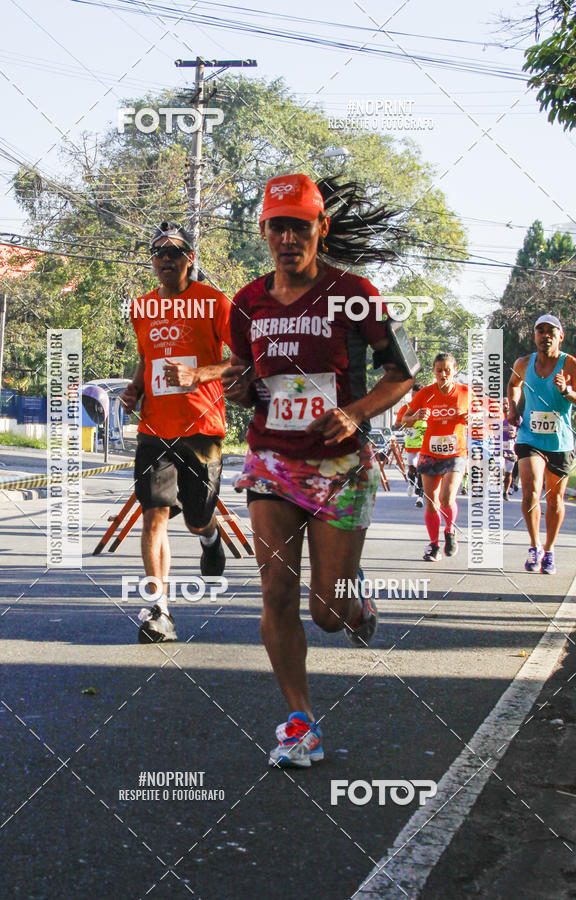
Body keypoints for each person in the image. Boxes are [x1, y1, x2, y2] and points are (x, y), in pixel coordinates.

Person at [222, 174, 414, 767]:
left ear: (321, 229)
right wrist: (239, 388)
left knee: (328, 613)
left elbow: (402, 374)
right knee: (275, 590)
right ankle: (300, 723)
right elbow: (240, 375)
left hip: (340, 467)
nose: (287, 238)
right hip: (272, 462)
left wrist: (355, 413)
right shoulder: (246, 303)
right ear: (264, 231)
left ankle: (357, 606)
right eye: (276, 226)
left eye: (299, 227)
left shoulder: (354, 293)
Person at [121, 223, 232, 642]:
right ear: (152, 261)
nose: (166, 259)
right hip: (154, 428)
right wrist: (135, 388)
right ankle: (159, 610)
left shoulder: (215, 303)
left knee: (196, 517)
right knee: (154, 515)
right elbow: (145, 359)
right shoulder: (142, 308)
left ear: (190, 258)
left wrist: (197, 374)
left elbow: (243, 360)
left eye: (175, 252)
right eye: (159, 253)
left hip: (201, 427)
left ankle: (210, 535)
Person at [507, 314, 576, 574]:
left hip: (560, 440)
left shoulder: (570, 364)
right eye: (540, 331)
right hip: (530, 437)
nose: (545, 335)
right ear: (534, 335)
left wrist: (566, 391)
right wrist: (513, 408)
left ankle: (549, 550)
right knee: (531, 492)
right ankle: (534, 545)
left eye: (551, 331)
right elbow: (513, 384)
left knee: (555, 500)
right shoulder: (524, 363)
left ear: (560, 336)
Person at [403, 353, 469, 561]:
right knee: (431, 501)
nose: (443, 374)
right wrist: (415, 417)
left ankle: (450, 530)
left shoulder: (465, 392)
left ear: (454, 370)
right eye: (439, 370)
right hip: (430, 454)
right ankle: (434, 545)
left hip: (455, 453)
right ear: (434, 371)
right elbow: (404, 419)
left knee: (446, 498)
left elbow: (483, 418)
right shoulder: (425, 393)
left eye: (447, 370)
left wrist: (473, 418)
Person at [395, 384, 425, 507]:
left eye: (418, 397)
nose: (415, 399)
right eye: (413, 396)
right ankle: (412, 483)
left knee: (422, 469)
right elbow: (397, 424)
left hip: (424, 445)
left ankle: (420, 496)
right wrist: (410, 422)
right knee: (412, 468)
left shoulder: (428, 408)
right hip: (411, 443)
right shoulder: (406, 408)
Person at [502, 398, 517, 500]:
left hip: (511, 449)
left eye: (507, 404)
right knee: (499, 468)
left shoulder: (516, 417)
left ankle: (505, 492)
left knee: (508, 473)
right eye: (503, 404)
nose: (506, 406)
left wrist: (515, 434)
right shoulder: (497, 417)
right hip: (498, 447)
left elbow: (523, 430)